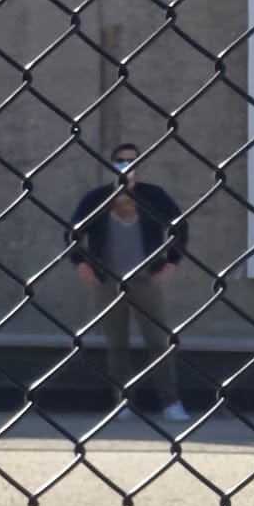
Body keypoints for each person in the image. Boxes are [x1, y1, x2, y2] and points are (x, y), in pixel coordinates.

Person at [68, 142, 191, 422]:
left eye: (132, 160)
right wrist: (81, 263)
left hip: (146, 279)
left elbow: (180, 227)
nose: (126, 164)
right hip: (108, 281)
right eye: (120, 160)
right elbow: (72, 232)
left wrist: (171, 263)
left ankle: (171, 402)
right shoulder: (97, 198)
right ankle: (122, 402)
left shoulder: (153, 196)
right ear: (111, 164)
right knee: (117, 344)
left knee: (159, 342)